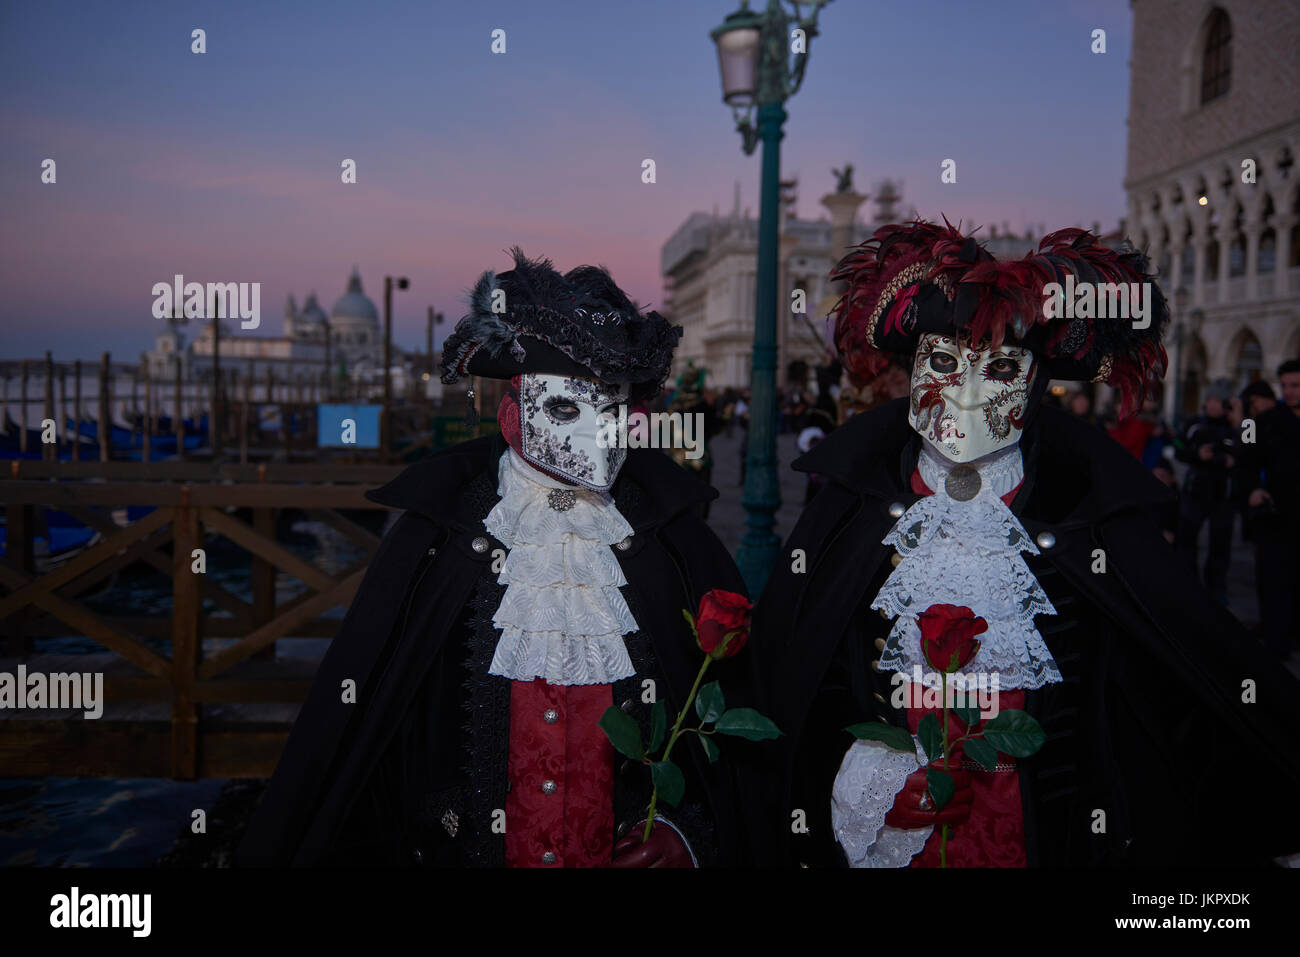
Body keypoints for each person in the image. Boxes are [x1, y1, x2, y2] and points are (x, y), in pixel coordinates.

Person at [749, 221, 1300, 867]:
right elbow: (798, 683)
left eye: (1004, 367)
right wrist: (863, 782)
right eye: (946, 362)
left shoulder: (1086, 517)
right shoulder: (852, 508)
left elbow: (1171, 687)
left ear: (1037, 384)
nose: (971, 392)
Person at [239, 249, 750, 868]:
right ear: (514, 407)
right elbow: (379, 732)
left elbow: (736, 750)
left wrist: (683, 835)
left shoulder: (670, 539)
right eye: (566, 409)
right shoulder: (442, 537)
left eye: (612, 413)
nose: (595, 437)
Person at [1236, 364, 1300, 657]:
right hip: (1275, 517)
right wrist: (1252, 490)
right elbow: (1245, 462)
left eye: (1295, 385)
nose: (1289, 391)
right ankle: (1277, 645)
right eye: (1285, 385)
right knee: (1275, 582)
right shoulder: (1263, 422)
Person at [1173, 383, 1238, 605]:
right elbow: (1178, 448)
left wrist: (1228, 458)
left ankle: (1217, 594)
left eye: (1217, 401)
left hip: (1223, 495)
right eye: (1209, 399)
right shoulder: (1194, 424)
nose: (1211, 404)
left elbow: (1249, 451)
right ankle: (1189, 588)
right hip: (1195, 491)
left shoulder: (1236, 427)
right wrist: (1197, 454)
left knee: (1220, 546)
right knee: (1186, 541)